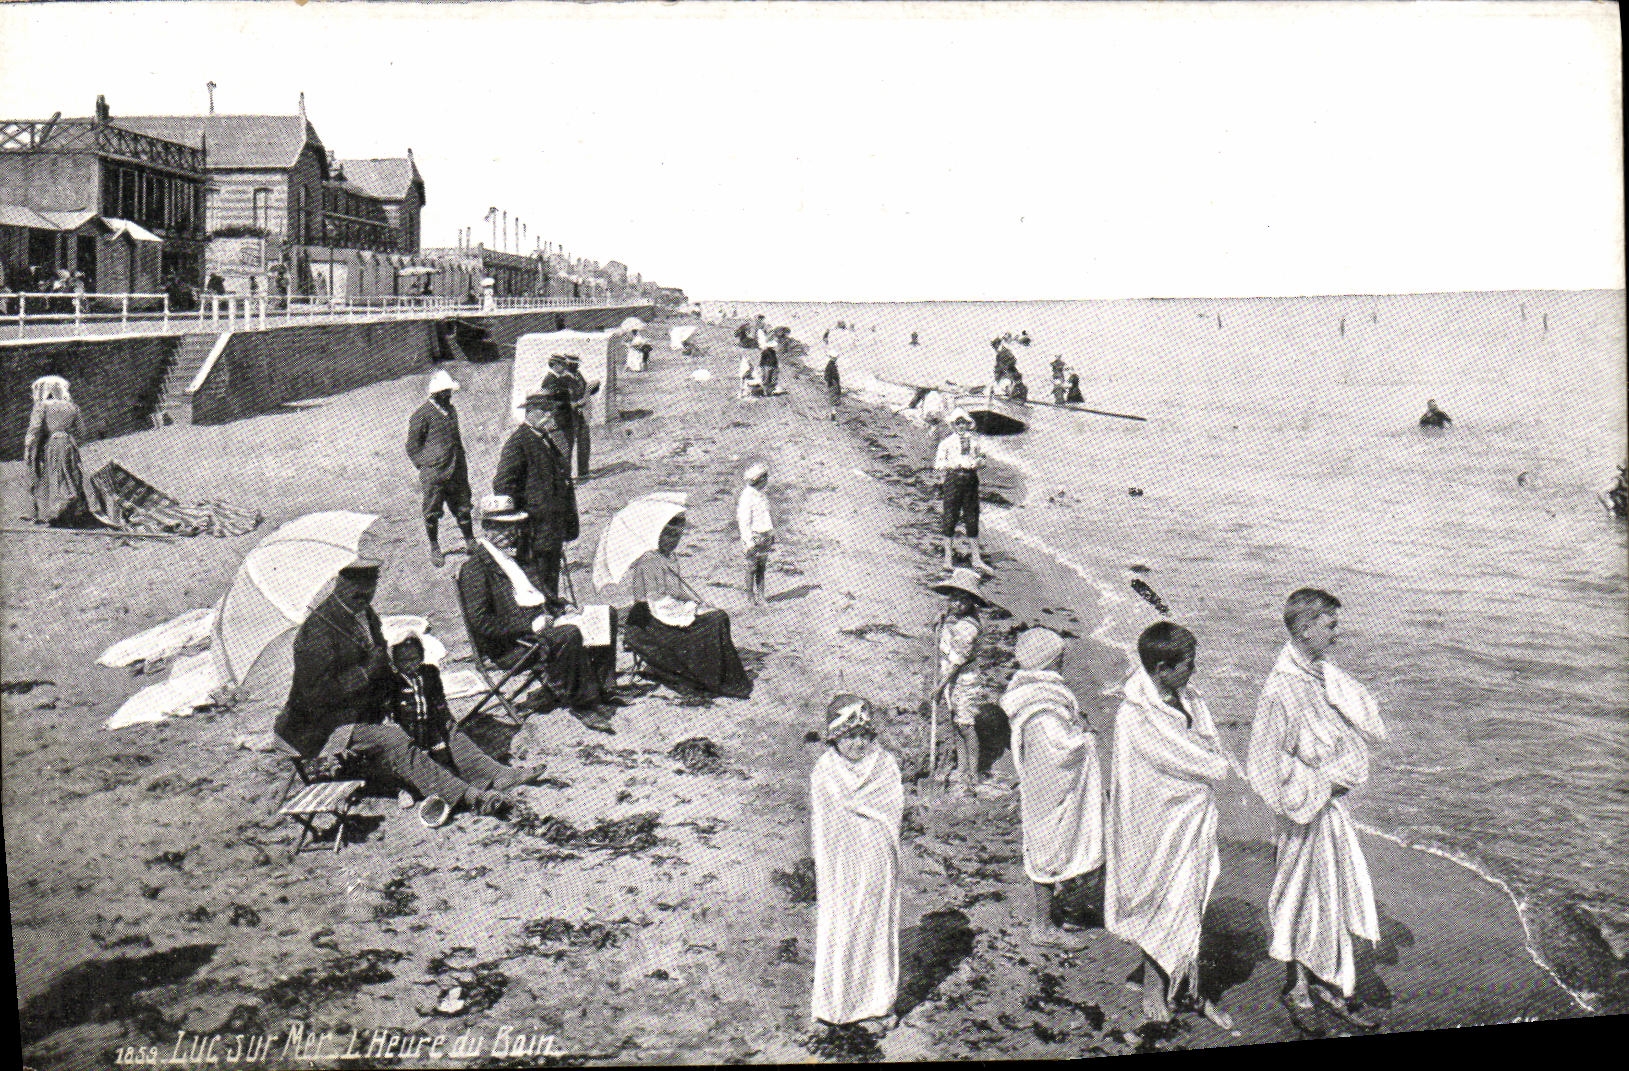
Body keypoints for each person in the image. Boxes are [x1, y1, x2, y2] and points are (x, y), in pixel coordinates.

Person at [273, 561, 515, 820]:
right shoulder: (316, 630)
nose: (366, 596)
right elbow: (316, 695)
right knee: (394, 739)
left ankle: (492, 773)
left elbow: (378, 655)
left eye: (371, 587)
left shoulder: (363, 611)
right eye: (357, 589)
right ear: (340, 584)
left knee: (432, 709)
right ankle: (470, 797)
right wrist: (367, 671)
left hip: (364, 705)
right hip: (323, 724)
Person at [1246, 588, 1387, 1028]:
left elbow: (1357, 725)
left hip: (1325, 810)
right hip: (1302, 813)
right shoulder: (1281, 689)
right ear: (1305, 629)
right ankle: (1298, 986)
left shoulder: (1320, 675)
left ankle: (1326, 979)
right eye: (1331, 625)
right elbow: (1265, 764)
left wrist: (1339, 773)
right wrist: (1320, 784)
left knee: (1332, 895)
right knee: (1298, 895)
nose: (1338, 632)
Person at [1107, 622, 1235, 1027]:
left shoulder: (1188, 697)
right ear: (1161, 668)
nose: (1193, 671)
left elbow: (1207, 742)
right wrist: (1212, 766)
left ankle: (1187, 983)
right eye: (1187, 664)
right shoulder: (1136, 713)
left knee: (1189, 896)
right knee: (1163, 896)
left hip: (1190, 816)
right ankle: (1152, 986)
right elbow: (1164, 763)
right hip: (1155, 822)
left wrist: (1208, 764)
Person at [458, 496, 619, 733]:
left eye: (513, 525)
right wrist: (530, 625)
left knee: (606, 615)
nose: (510, 533)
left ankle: (603, 688)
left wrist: (562, 607)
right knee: (569, 634)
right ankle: (583, 704)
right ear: (486, 527)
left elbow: (536, 594)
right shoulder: (475, 568)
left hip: (542, 624)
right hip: (512, 644)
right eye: (501, 526)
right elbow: (481, 622)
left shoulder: (514, 559)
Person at [1000, 627, 1102, 949]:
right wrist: (1084, 738)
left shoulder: (1029, 693)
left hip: (1040, 782)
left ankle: (1054, 912)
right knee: (1048, 844)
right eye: (1060, 660)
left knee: (1050, 842)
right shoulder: (1042, 705)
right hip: (1048, 785)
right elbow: (1057, 750)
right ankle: (1042, 926)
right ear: (1051, 662)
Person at [811, 694, 903, 1036]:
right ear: (835, 738)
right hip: (840, 863)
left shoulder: (885, 766)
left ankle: (875, 1005)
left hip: (876, 860)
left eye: (863, 735)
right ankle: (832, 1007)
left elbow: (890, 808)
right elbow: (827, 818)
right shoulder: (825, 769)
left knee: (873, 926)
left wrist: (869, 824)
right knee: (839, 926)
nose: (857, 743)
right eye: (849, 736)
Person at [385, 634, 548, 790]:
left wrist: (444, 727)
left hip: (432, 725)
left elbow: (439, 703)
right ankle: (477, 785)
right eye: (403, 661)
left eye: (414, 659)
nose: (409, 665)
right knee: (432, 769)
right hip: (409, 733)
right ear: (395, 662)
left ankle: (500, 774)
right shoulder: (392, 682)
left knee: (455, 738)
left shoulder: (428, 673)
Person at [622, 512, 753, 698]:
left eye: (677, 537)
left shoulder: (670, 557)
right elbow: (655, 599)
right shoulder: (649, 560)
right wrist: (687, 609)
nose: (674, 542)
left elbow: (676, 590)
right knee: (713, 621)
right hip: (652, 615)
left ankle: (720, 673)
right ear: (658, 535)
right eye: (669, 536)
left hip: (670, 607)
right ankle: (711, 677)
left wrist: (695, 601)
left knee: (718, 615)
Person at [494, 397, 579, 601]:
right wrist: (524, 516)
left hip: (553, 527)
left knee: (551, 578)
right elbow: (503, 485)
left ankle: (553, 616)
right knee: (538, 582)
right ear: (530, 413)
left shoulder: (545, 438)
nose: (550, 415)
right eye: (545, 411)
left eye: (551, 411)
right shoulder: (518, 443)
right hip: (535, 530)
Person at [931, 569, 1006, 798]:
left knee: (966, 725)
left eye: (963, 599)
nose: (956, 603)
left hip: (965, 681)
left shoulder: (968, 627)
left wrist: (940, 686)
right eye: (954, 597)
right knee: (956, 722)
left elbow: (957, 661)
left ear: (971, 602)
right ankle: (961, 766)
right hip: (952, 677)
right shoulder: (954, 618)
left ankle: (972, 774)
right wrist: (941, 621)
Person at [405, 369, 474, 568]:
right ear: (437, 393)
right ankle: (435, 546)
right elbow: (412, 446)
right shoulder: (421, 414)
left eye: (449, 391)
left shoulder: (451, 410)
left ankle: (469, 540)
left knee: (463, 505)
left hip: (457, 468)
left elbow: (457, 439)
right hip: (435, 473)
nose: (450, 395)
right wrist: (426, 464)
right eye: (446, 392)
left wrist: (461, 462)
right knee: (432, 511)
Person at [932, 409, 993, 575]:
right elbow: (938, 464)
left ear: (968, 424)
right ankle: (947, 558)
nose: (961, 426)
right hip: (953, 479)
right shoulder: (946, 443)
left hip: (971, 479)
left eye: (964, 423)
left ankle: (976, 557)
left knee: (972, 517)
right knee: (950, 516)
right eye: (958, 423)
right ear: (953, 425)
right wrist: (953, 465)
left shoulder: (974, 442)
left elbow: (983, 459)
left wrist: (977, 463)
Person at [24, 375, 88, 526]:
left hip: (53, 444)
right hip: (69, 444)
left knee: (54, 476)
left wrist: (28, 448)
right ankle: (70, 515)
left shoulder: (42, 406)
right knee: (69, 475)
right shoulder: (72, 407)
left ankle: (56, 514)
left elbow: (34, 430)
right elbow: (82, 431)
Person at [736, 464, 775, 605]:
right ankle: (750, 597)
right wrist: (748, 541)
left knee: (762, 567)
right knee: (751, 567)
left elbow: (766, 515)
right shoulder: (747, 497)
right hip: (754, 537)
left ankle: (761, 595)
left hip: (764, 535)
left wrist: (771, 532)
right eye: (765, 478)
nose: (767, 480)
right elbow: (743, 521)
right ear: (759, 479)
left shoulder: (762, 495)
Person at [562, 354, 597, 479]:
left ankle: (583, 471)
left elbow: (585, 389)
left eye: (577, 363)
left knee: (584, 442)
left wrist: (593, 388)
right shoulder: (563, 379)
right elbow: (562, 399)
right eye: (574, 363)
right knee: (568, 445)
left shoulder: (578, 375)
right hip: (570, 415)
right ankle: (566, 476)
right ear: (568, 364)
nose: (577, 365)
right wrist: (576, 404)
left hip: (582, 414)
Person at [823, 347, 842, 419]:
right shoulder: (831, 366)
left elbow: (826, 376)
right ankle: (833, 418)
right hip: (833, 385)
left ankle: (832, 416)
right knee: (833, 401)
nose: (836, 359)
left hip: (833, 384)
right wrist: (832, 383)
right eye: (835, 357)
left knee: (833, 401)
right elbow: (828, 377)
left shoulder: (830, 365)